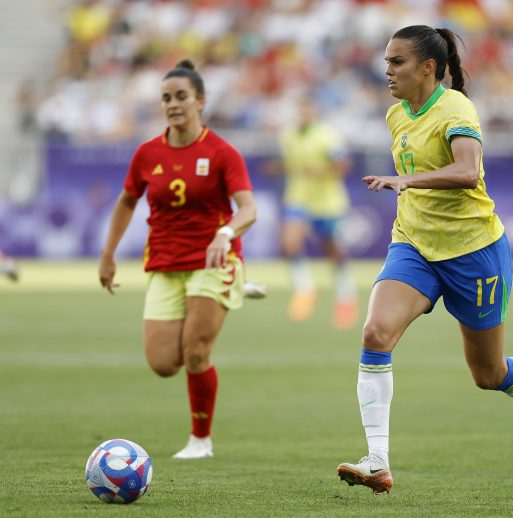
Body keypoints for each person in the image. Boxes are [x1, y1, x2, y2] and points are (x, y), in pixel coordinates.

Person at [336, 26, 513, 494]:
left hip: (474, 253)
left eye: (397, 62)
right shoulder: (396, 116)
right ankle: (377, 460)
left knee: (488, 374)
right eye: (386, 62)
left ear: (428, 68)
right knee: (375, 332)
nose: (387, 71)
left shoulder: (457, 108)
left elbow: (467, 171)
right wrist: (407, 190)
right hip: (415, 245)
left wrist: (407, 182)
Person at [98, 60, 257, 460]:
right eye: (166, 98)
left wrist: (225, 233)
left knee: (195, 351)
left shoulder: (223, 153)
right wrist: (108, 253)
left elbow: (248, 209)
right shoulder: (147, 153)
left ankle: (200, 441)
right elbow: (127, 200)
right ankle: (236, 288)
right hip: (166, 264)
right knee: (163, 364)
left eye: (181, 96)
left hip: (212, 261)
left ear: (200, 101)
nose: (173, 104)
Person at [272, 96, 358, 329]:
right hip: (298, 198)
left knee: (333, 251)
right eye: (301, 110)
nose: (304, 114)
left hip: (328, 202)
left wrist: (320, 171)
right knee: (289, 244)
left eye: (308, 110)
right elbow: (290, 164)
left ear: (315, 112)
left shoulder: (327, 136)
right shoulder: (288, 136)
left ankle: (345, 296)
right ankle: (305, 289)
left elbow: (343, 165)